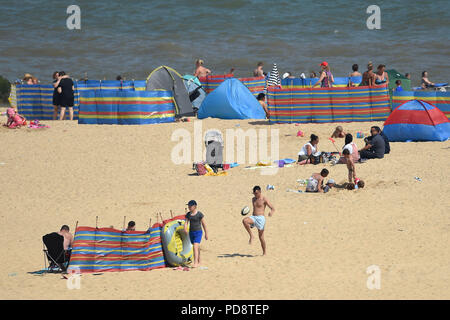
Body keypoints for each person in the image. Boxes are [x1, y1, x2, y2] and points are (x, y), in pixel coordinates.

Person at [242, 186, 275, 256]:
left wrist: (271, 212)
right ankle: (251, 235)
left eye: (256, 193)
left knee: (261, 237)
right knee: (245, 221)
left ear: (260, 192)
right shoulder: (253, 199)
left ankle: (264, 252)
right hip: (253, 217)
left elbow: (272, 208)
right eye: (254, 193)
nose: (255, 195)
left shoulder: (264, 199)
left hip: (261, 219)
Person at [184, 200, 208, 268]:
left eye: (190, 206)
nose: (189, 207)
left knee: (195, 246)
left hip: (198, 232)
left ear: (195, 206)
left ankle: (195, 262)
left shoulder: (199, 214)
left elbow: (204, 224)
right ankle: (199, 261)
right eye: (188, 206)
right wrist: (185, 228)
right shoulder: (188, 214)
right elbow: (186, 222)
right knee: (196, 247)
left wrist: (206, 234)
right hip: (191, 232)